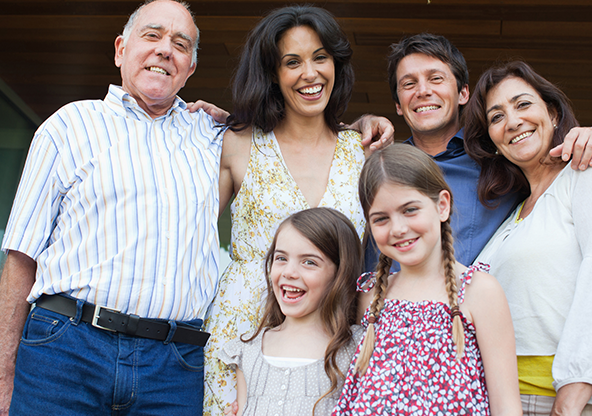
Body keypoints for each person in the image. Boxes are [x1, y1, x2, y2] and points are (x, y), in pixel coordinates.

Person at [0, 0, 222, 414]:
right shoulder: (68, 125)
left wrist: (358, 129)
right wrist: (2, 375)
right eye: (152, 35)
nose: (164, 50)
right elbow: (21, 257)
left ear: (190, 68)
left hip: (173, 368)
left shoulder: (215, 136)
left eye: (180, 43)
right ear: (121, 49)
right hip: (64, 351)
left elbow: (295, 136)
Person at [202, 6, 392, 414]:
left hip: (330, 347)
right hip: (241, 337)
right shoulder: (237, 143)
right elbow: (186, 229)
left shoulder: (361, 152)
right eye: (293, 62)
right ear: (272, 73)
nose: (310, 74)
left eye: (320, 57)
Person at [365, 33, 592, 271]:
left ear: (463, 93)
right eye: (409, 84)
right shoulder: (375, 164)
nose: (423, 91)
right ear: (398, 105)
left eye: (436, 78)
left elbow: (545, 161)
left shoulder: (500, 165)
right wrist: (361, 125)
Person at [333, 143, 522, 415]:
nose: (398, 228)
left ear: (442, 205)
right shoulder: (368, 296)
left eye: (410, 210)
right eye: (381, 219)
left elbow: (506, 407)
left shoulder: (479, 292)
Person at [464, 61, 592, 415]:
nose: (513, 121)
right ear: (492, 140)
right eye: (496, 116)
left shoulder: (582, 177)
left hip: (561, 398)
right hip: (501, 399)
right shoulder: (512, 215)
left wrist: (576, 386)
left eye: (522, 104)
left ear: (551, 113)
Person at [219, 207, 363, 416]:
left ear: (340, 273)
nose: (289, 272)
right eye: (281, 258)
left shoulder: (357, 348)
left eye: (309, 262)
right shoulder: (247, 350)